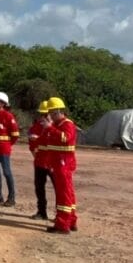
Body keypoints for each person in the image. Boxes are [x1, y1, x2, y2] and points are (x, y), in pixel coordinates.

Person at [41, 96, 78, 234]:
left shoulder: (67, 124)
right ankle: (71, 220)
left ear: (57, 111)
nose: (49, 116)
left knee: (64, 195)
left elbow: (65, 138)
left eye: (50, 113)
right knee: (68, 193)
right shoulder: (57, 125)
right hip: (59, 163)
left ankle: (63, 224)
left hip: (64, 164)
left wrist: (50, 128)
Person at [27, 100, 53, 221]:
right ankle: (42, 212)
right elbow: (32, 146)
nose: (43, 117)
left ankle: (61, 214)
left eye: (46, 114)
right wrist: (36, 157)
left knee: (59, 189)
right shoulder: (35, 127)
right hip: (40, 162)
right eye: (42, 114)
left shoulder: (56, 127)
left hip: (53, 163)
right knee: (39, 188)